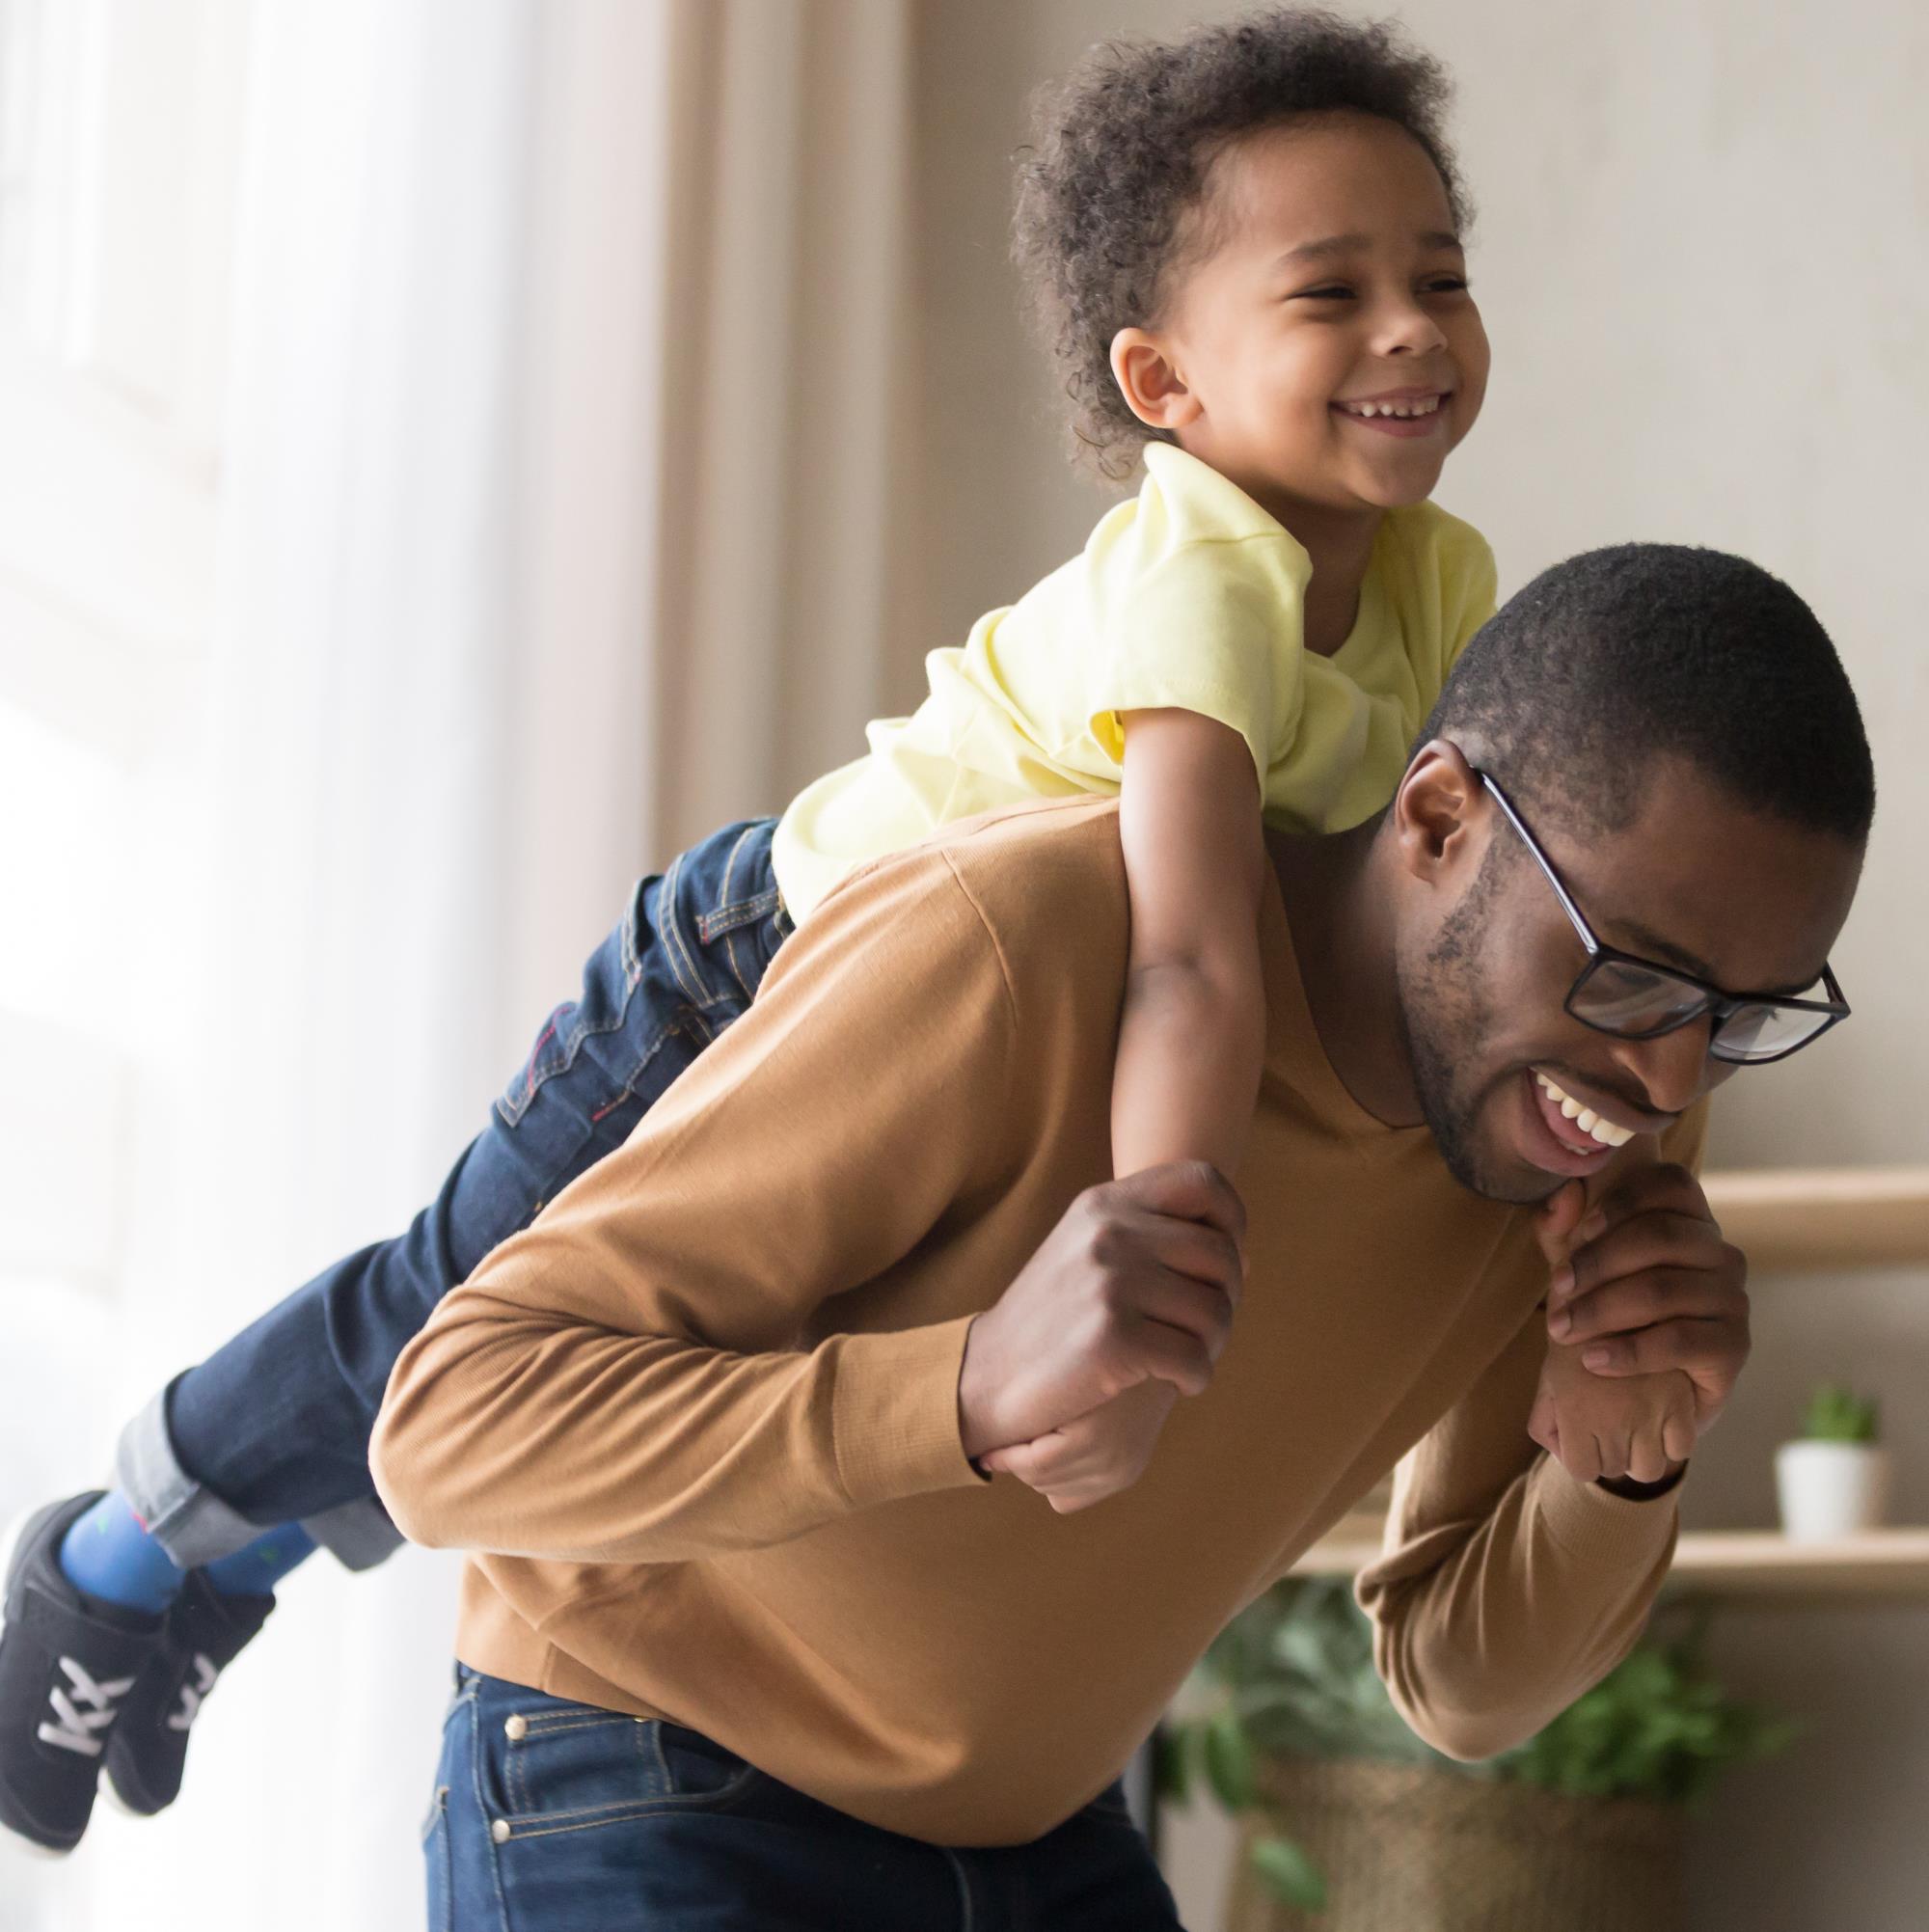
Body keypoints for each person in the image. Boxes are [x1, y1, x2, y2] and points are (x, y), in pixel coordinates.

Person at [0, 9, 1641, 1858]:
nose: (1412, 327)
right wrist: (1171, 1260)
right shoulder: (1206, 578)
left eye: (1441, 273)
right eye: (1331, 295)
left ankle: (223, 1568)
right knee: (455, 1311)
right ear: (1163, 384)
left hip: (908, 1017)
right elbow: (1192, 956)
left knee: (543, 1344)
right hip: (741, 969)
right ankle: (123, 1553)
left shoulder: (1436, 575)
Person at [366, 542, 1869, 1928]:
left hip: (1032, 1840)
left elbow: (1460, 1690)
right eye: (1636, 978)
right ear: (1435, 817)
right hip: (647, 1779)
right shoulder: (1018, 939)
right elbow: (446, 1424)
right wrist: (958, 1393)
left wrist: (1621, 1460)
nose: (1673, 1075)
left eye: (1746, 1016)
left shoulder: (1580, 1125)